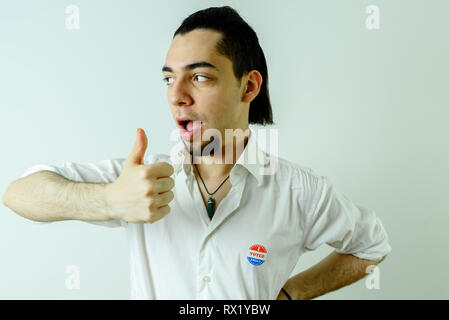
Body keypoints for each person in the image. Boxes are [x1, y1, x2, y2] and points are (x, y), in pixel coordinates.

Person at [2, 6, 391, 300]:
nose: (176, 96)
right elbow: (18, 193)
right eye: (169, 78)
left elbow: (371, 247)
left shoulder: (299, 192)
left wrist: (290, 294)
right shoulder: (139, 180)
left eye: (200, 77)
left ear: (249, 87)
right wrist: (108, 200)